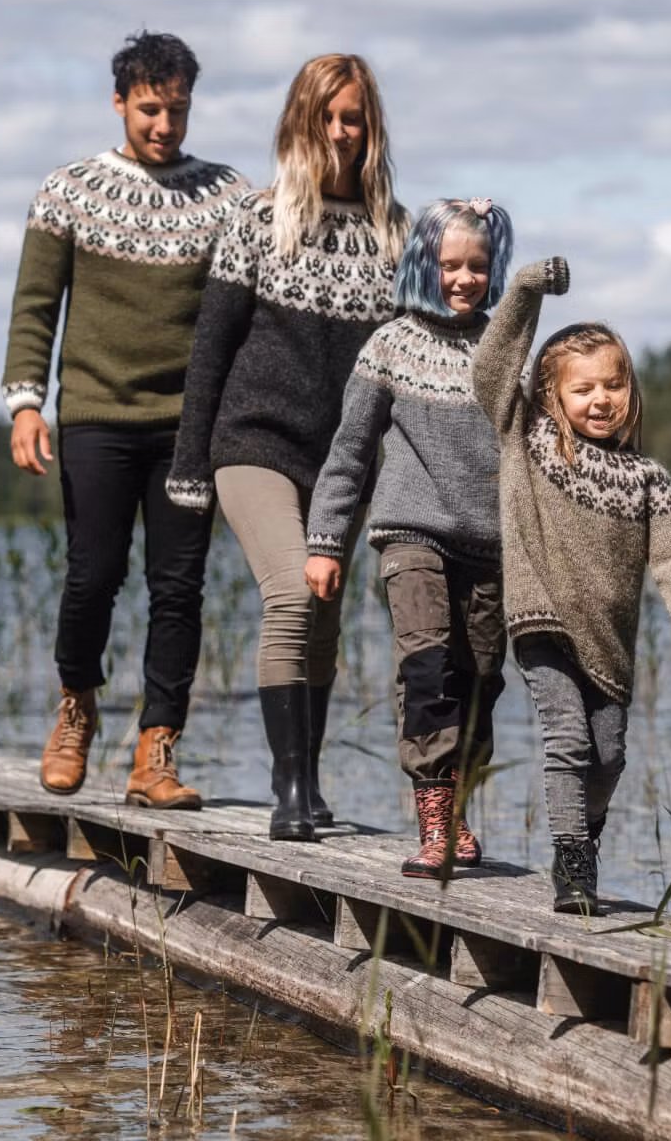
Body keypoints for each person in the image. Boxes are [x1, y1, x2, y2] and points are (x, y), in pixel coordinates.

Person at [0, 31, 249, 808]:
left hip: (187, 427)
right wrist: (25, 403)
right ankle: (76, 706)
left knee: (178, 588)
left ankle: (156, 752)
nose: (165, 126)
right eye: (150, 109)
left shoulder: (229, 197)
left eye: (177, 110)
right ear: (119, 102)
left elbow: (254, 310)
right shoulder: (69, 189)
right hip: (96, 417)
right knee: (92, 577)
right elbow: (36, 305)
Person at [168, 54, 408, 842]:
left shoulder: (394, 236)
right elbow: (212, 348)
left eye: (357, 120)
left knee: (327, 618)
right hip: (254, 443)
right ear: (303, 123)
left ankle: (308, 776)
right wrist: (189, 463)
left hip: (342, 463)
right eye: (331, 117)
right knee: (292, 596)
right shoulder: (257, 219)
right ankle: (290, 785)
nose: (344, 134)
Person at [471, 257, 671, 913]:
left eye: (613, 385)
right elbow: (493, 368)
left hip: (609, 648)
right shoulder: (528, 440)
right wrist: (526, 290)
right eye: (583, 389)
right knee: (569, 739)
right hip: (541, 622)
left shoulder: (646, 478)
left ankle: (581, 835)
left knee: (607, 759)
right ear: (553, 395)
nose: (600, 399)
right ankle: (574, 867)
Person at [303, 197, 514, 879]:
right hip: (410, 533)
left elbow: (535, 452)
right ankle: (432, 815)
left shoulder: (506, 348)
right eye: (449, 264)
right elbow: (349, 450)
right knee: (425, 667)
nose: (462, 278)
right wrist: (325, 541)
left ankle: (457, 805)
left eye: (476, 266)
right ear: (424, 264)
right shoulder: (390, 345)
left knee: (480, 678)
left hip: (490, 543)